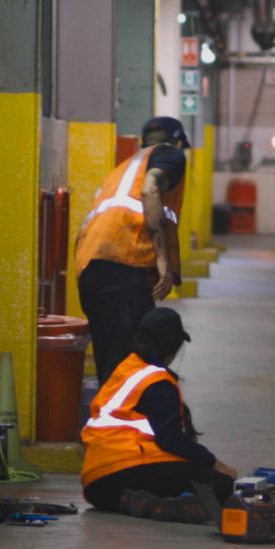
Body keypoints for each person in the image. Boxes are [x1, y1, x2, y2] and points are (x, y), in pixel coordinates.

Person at [80, 308, 239, 522]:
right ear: (173, 346)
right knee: (220, 484)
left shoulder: (127, 368)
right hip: (128, 469)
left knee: (170, 472)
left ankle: (135, 500)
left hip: (96, 486)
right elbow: (171, 439)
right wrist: (216, 464)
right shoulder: (157, 382)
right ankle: (169, 505)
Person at [75, 116, 190, 381]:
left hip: (91, 266)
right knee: (127, 362)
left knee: (110, 358)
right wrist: (163, 261)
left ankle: (109, 417)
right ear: (178, 141)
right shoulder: (170, 156)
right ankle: (118, 420)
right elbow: (152, 189)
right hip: (124, 263)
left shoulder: (125, 168)